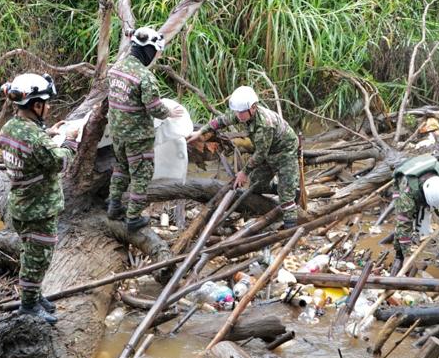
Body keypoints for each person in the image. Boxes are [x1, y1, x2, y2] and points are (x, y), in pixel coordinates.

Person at [0, 73, 68, 324]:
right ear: (36, 105)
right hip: (38, 209)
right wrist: (67, 142)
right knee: (37, 258)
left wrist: (48, 133)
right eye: (46, 103)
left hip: (22, 205)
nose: (49, 107)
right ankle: (28, 306)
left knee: (32, 254)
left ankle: (35, 296)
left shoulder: (10, 128)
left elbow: (28, 146)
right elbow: (58, 161)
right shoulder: (36, 138)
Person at [188, 86, 300, 230]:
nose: (238, 116)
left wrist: (244, 172)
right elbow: (221, 121)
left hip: (285, 152)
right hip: (267, 150)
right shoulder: (243, 112)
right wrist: (200, 132)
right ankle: (288, 190)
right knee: (257, 185)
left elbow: (260, 154)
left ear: (253, 108)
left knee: (286, 198)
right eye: (237, 112)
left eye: (241, 113)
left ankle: (290, 231)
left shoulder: (265, 124)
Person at [106, 27, 183, 231]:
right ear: (147, 50)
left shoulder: (115, 69)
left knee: (121, 168)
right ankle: (133, 218)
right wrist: (170, 113)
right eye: (155, 52)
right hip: (138, 136)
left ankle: (114, 206)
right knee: (141, 175)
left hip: (117, 133)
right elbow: (154, 108)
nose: (155, 56)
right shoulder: (144, 77)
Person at [389, 154, 439, 264]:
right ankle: (399, 256)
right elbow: (403, 225)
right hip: (405, 176)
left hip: (426, 171)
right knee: (402, 226)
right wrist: (407, 254)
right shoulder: (407, 196)